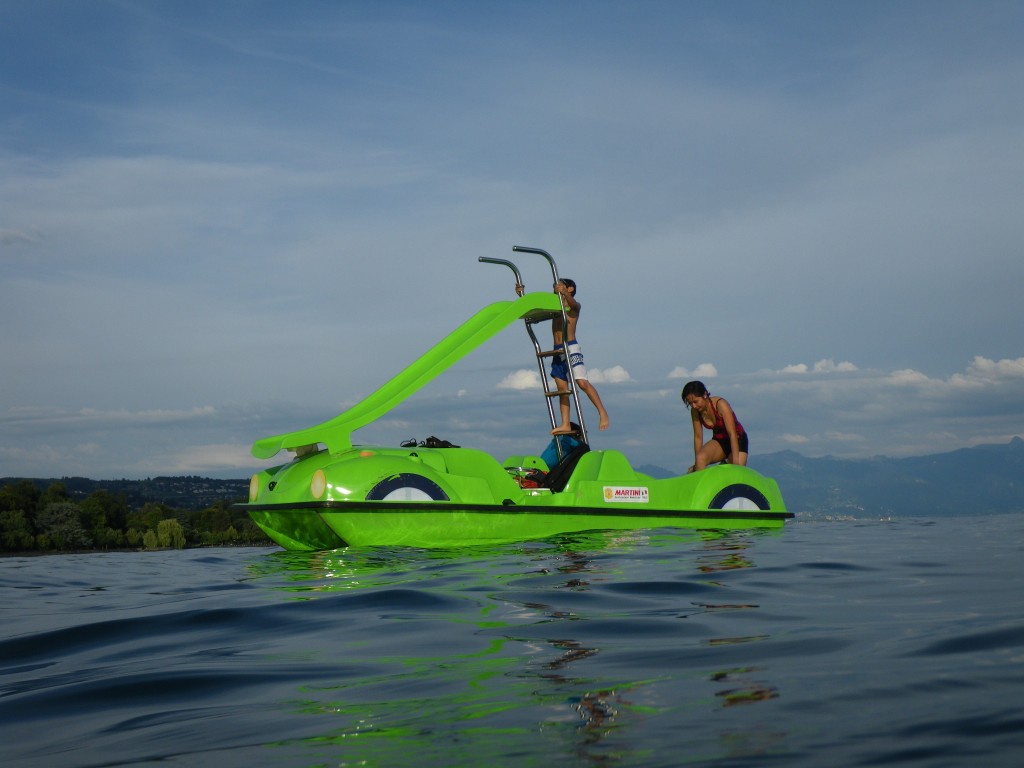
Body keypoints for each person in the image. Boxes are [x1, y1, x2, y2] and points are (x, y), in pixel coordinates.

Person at [549, 278, 610, 434]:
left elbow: (574, 304)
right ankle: (565, 423)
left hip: (571, 348)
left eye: (561, 285)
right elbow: (532, 312)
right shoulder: (554, 307)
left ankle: (602, 412)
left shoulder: (573, 307)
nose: (557, 287)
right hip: (557, 350)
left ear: (570, 289)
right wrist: (521, 295)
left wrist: (565, 295)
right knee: (562, 389)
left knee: (582, 383)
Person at [682, 380, 748, 471]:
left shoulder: (720, 404)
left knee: (736, 467)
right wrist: (697, 464)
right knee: (700, 459)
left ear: (705, 394)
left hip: (737, 439)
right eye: (690, 403)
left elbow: (732, 434)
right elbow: (698, 437)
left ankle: (727, 462)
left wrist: (736, 463)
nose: (694, 406)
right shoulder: (695, 411)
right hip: (720, 441)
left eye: (696, 401)